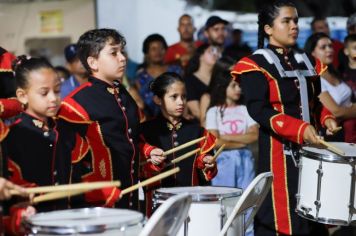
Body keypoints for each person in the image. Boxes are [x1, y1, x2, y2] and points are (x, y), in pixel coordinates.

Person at [231, 1, 338, 235]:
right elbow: (258, 110)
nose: (294, 26)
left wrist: (326, 118)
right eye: (286, 21)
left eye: (296, 21)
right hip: (278, 154)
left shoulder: (306, 60)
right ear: (269, 29)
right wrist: (299, 129)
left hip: (311, 153)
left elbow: (313, 101)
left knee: (312, 213)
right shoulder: (254, 64)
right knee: (282, 218)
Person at [57, 28, 159, 210]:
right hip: (99, 205)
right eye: (113, 53)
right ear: (93, 62)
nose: (122, 58)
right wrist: (96, 192)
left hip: (131, 196)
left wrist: (149, 151)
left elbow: (132, 138)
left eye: (122, 52)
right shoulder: (75, 105)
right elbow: (70, 164)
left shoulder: (123, 94)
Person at [140, 72, 217, 215]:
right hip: (156, 206)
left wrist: (206, 162)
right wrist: (150, 157)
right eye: (174, 97)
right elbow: (138, 167)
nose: (181, 102)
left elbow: (205, 168)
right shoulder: (145, 131)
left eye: (183, 96)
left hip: (191, 204)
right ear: (158, 99)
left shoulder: (197, 131)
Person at [1, 56, 63, 234]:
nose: (53, 98)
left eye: (57, 91)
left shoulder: (64, 130)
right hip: (33, 222)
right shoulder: (14, 135)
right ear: (22, 95)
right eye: (44, 93)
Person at [206, 69, 258, 236]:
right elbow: (215, 141)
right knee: (225, 200)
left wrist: (226, 138)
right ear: (223, 87)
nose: (238, 89)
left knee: (247, 200)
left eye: (239, 86)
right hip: (223, 160)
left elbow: (254, 136)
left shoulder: (245, 109)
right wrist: (240, 139)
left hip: (245, 159)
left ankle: (247, 232)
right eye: (233, 85)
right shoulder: (213, 111)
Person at [304, 32, 356, 141]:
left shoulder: (335, 72)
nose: (329, 50)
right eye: (323, 47)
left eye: (330, 46)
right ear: (312, 52)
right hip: (332, 135)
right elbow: (336, 111)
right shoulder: (314, 79)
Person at [136, 34, 182, 118]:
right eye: (153, 49)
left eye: (161, 48)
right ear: (147, 53)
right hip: (151, 121)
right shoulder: (141, 76)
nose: (158, 52)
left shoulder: (176, 70)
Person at [184, 44, 219, 121]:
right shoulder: (189, 80)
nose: (215, 54)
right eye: (211, 51)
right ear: (200, 56)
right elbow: (196, 112)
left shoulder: (219, 78)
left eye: (217, 52)